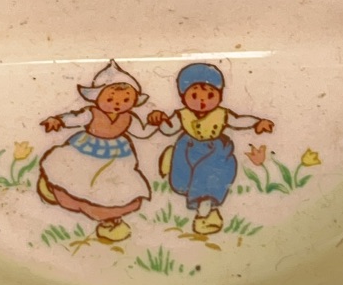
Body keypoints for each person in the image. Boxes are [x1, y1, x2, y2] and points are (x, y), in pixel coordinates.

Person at [37, 60, 158, 246]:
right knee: (77, 175)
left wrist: (155, 122)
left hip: (117, 155)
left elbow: (142, 132)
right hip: (87, 148)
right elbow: (76, 118)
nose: (117, 104)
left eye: (125, 100)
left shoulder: (129, 118)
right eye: (110, 99)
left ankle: (109, 219)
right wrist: (58, 120)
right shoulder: (92, 113)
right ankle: (53, 188)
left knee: (113, 185)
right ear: (97, 97)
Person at [155, 62, 274, 240]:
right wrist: (160, 120)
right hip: (187, 149)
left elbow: (238, 121)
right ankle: (202, 205)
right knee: (185, 180)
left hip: (215, 151)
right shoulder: (182, 115)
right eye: (194, 95)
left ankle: (206, 210)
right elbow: (168, 129)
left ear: (220, 95)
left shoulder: (222, 114)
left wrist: (257, 123)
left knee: (210, 175)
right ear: (183, 96)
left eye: (210, 95)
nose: (202, 101)